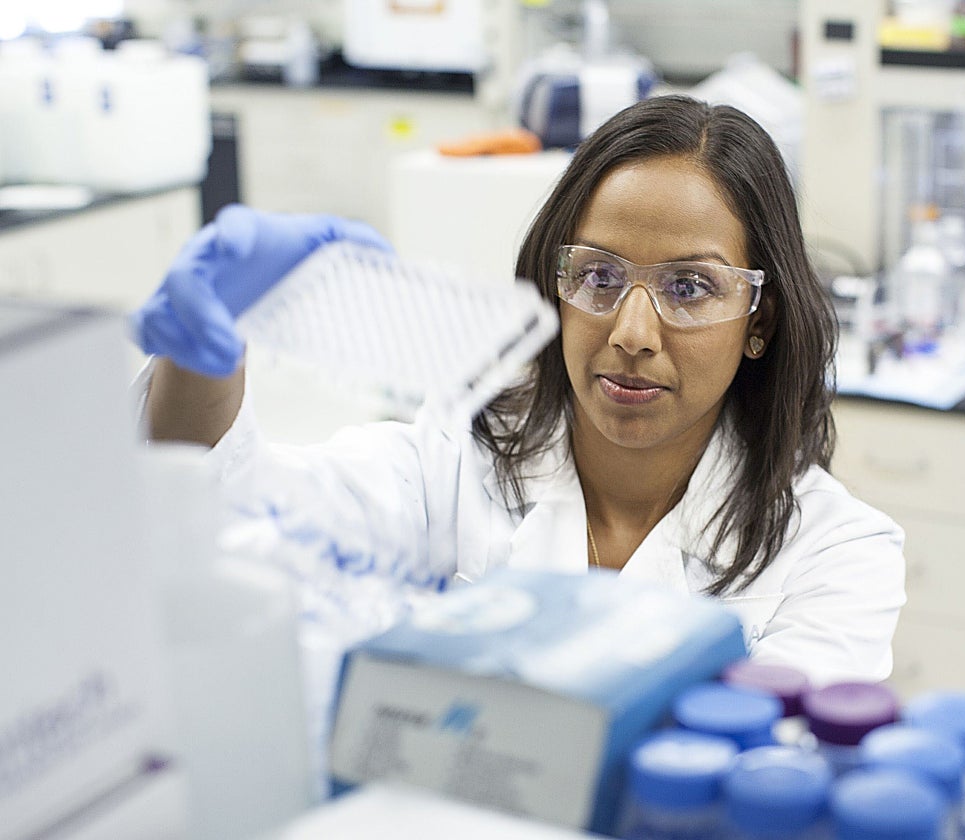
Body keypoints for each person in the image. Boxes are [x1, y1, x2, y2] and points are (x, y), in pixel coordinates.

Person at [132, 94, 905, 686]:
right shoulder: (458, 453)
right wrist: (204, 351)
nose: (633, 332)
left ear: (758, 320)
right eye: (598, 276)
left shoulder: (836, 554)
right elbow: (229, 511)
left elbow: (762, 786)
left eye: (691, 286)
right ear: (554, 285)